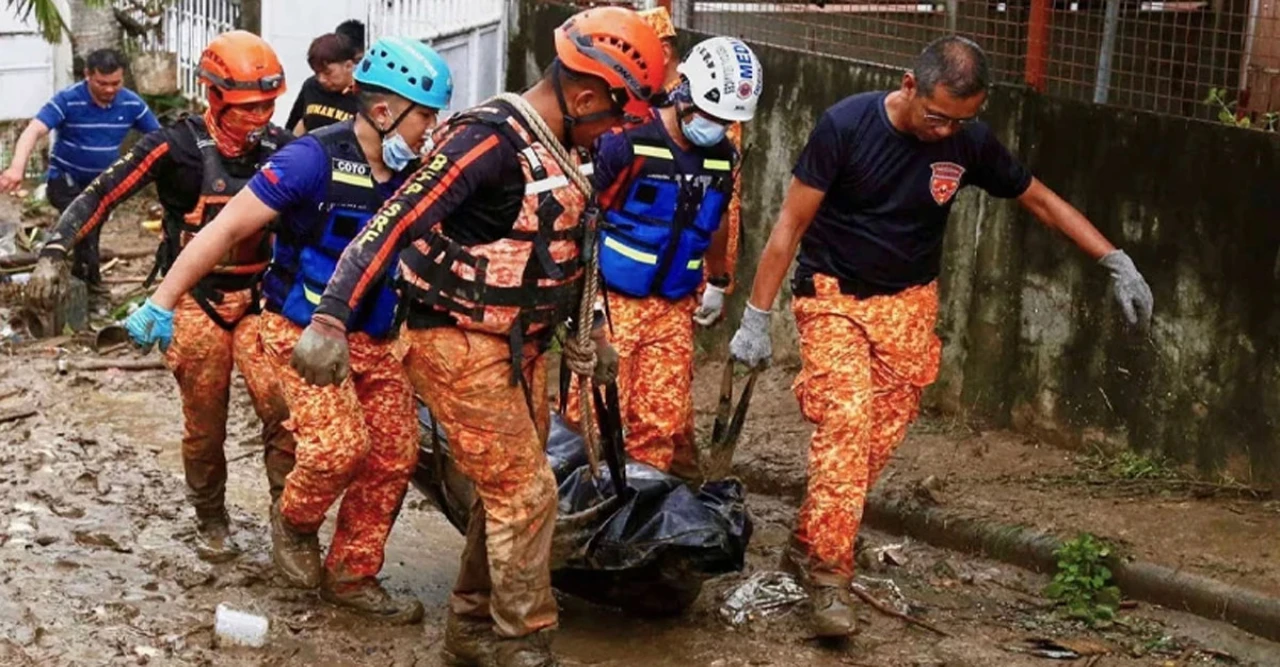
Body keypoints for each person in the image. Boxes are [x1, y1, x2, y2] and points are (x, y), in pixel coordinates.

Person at [728, 36, 1155, 639]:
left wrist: (1112, 257)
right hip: (834, 299)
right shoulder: (845, 126)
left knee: (875, 442)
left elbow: (1036, 197)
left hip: (909, 303)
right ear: (909, 86)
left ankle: (810, 540)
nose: (947, 131)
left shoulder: (966, 141)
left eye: (963, 120)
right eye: (938, 116)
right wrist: (755, 316)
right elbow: (790, 224)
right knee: (846, 427)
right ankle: (828, 576)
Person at [290, 7, 664, 665]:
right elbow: (395, 220)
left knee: (508, 486)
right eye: (617, 112)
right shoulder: (487, 144)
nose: (618, 132)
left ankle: (471, 628)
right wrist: (332, 317)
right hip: (455, 340)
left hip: (521, 344)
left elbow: (573, 244)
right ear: (583, 95)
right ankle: (526, 640)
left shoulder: (567, 147)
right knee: (527, 490)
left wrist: (592, 331)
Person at [125, 36, 453, 624]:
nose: (431, 130)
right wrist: (163, 300)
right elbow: (224, 230)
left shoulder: (421, 172)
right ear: (384, 113)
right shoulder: (310, 160)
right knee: (335, 449)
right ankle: (295, 524)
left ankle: (352, 573)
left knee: (396, 455)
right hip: (298, 332)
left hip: (375, 339)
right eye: (425, 117)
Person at [26, 31, 295, 564]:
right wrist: (54, 251)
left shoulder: (284, 150)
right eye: (248, 106)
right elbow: (104, 192)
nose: (260, 116)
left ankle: (288, 523)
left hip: (262, 296)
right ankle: (210, 517)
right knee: (204, 420)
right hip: (194, 297)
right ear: (214, 96)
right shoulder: (174, 148)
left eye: (268, 104)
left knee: (284, 413)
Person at [582, 36, 761, 477]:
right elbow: (581, 214)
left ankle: (637, 524)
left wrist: (718, 282)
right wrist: (581, 302)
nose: (716, 126)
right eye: (711, 114)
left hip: (673, 307)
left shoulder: (723, 157)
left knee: (659, 423)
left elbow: (716, 219)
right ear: (685, 90)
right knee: (592, 414)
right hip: (613, 300)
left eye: (726, 121)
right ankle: (580, 512)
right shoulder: (624, 145)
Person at [0, 49, 161, 292]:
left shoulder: (131, 103)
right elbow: (33, 130)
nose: (109, 89)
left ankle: (81, 279)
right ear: (87, 75)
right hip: (64, 178)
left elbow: (160, 138)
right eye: (102, 83)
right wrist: (16, 168)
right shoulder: (67, 100)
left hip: (102, 184)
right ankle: (85, 280)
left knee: (89, 228)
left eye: (115, 83)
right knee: (82, 221)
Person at [639, 6, 747, 335]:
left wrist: (716, 279)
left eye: (640, 54)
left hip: (691, 249)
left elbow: (723, 201)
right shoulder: (650, 102)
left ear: (664, 50)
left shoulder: (702, 108)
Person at [285, 33, 360, 135]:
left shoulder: (364, 96)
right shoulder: (311, 86)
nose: (321, 79)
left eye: (327, 73)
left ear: (348, 66)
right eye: (317, 73)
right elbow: (293, 127)